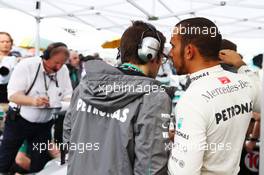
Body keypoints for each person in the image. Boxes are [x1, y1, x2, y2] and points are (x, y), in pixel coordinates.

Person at [64, 21, 172, 175]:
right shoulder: (154, 97)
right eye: (162, 57)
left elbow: (68, 138)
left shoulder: (84, 86)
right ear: (151, 54)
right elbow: (150, 165)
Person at [167, 17, 260, 175]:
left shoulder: (192, 101)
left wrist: (181, 144)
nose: (170, 53)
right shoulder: (245, 83)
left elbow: (184, 171)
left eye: (173, 46)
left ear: (189, 51)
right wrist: (241, 65)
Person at [0, 42, 72, 174]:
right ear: (45, 57)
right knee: (5, 158)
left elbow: (68, 96)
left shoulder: (63, 70)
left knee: (39, 163)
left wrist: (58, 103)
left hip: (44, 124)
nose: (59, 67)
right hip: (18, 121)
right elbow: (13, 95)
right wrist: (33, 101)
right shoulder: (27, 66)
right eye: (56, 63)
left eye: (62, 63)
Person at [0, 32, 17, 103]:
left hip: (13, 99)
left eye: (7, 41)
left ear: (11, 43)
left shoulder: (16, 59)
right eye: (2, 42)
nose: (5, 44)